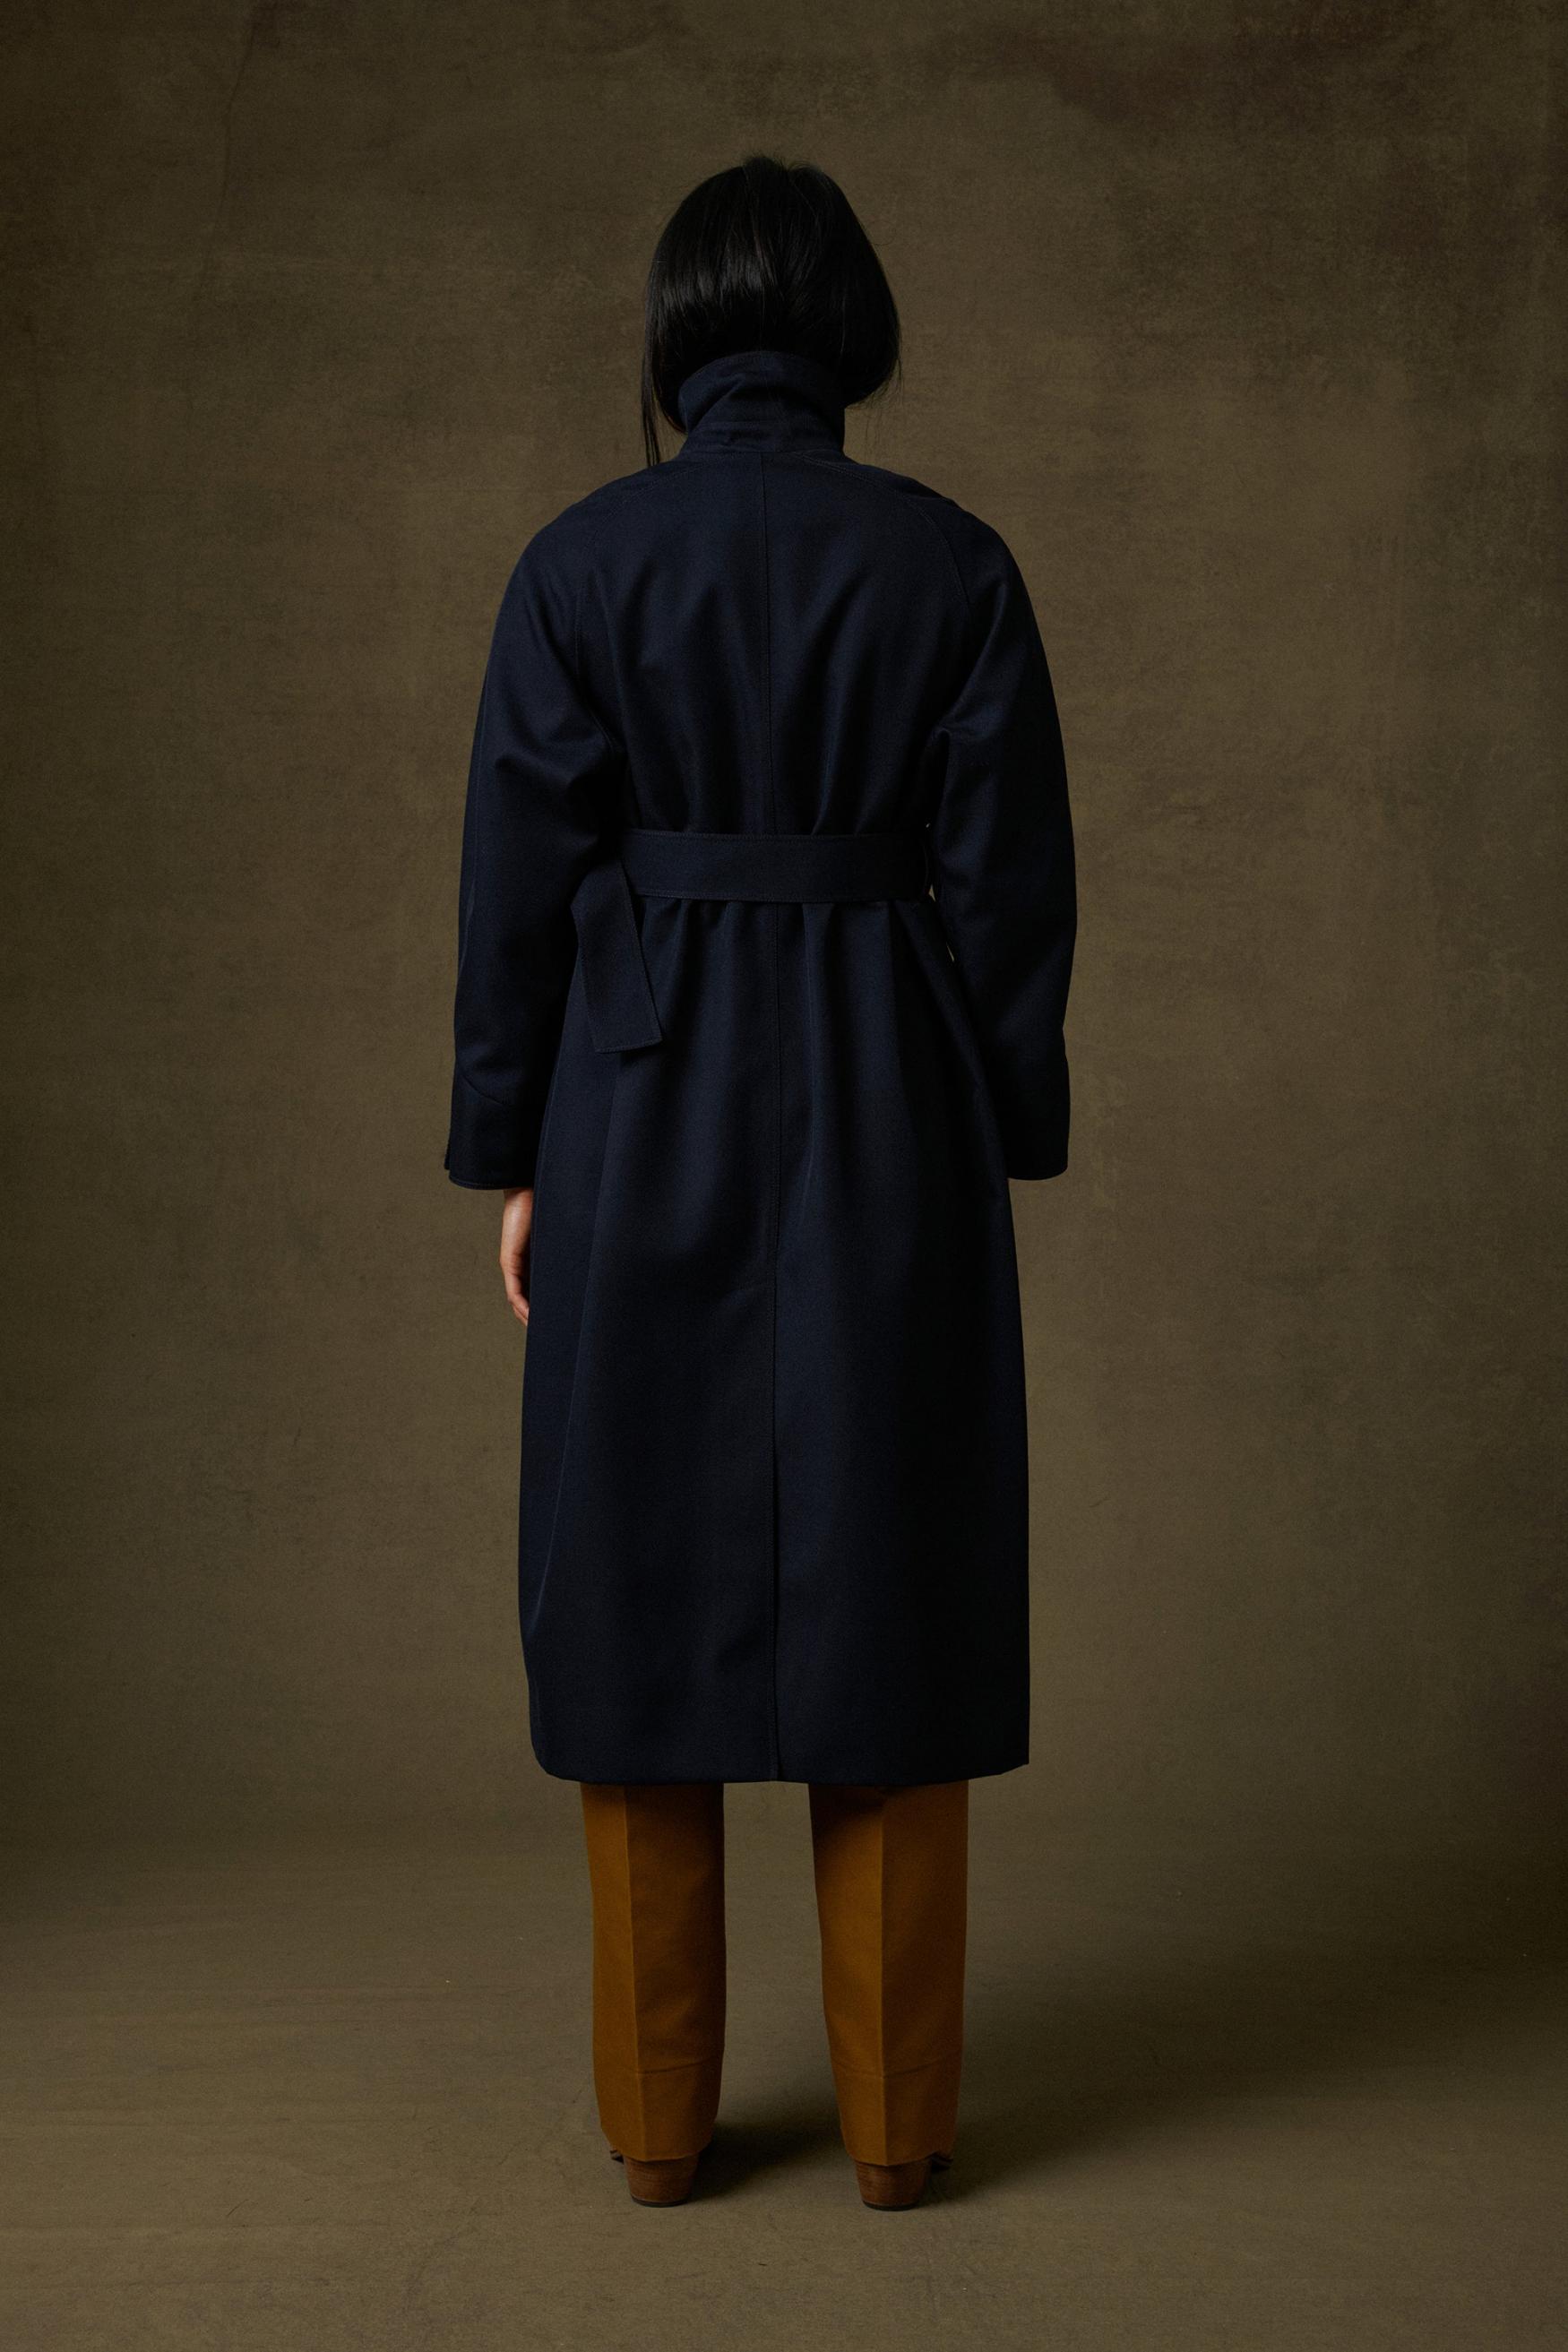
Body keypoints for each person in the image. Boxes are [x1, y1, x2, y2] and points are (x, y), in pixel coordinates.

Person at [443, 153, 1077, 2210]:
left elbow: (514, 891)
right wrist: (995, 1122)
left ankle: (657, 2128)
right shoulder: (950, 566)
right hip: (890, 1095)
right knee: (892, 1574)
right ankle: (899, 2133)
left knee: (632, 1586)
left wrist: (510, 1156)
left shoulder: (576, 563)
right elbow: (1011, 894)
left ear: (678, 327)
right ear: (849, 329)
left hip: (633, 1100)